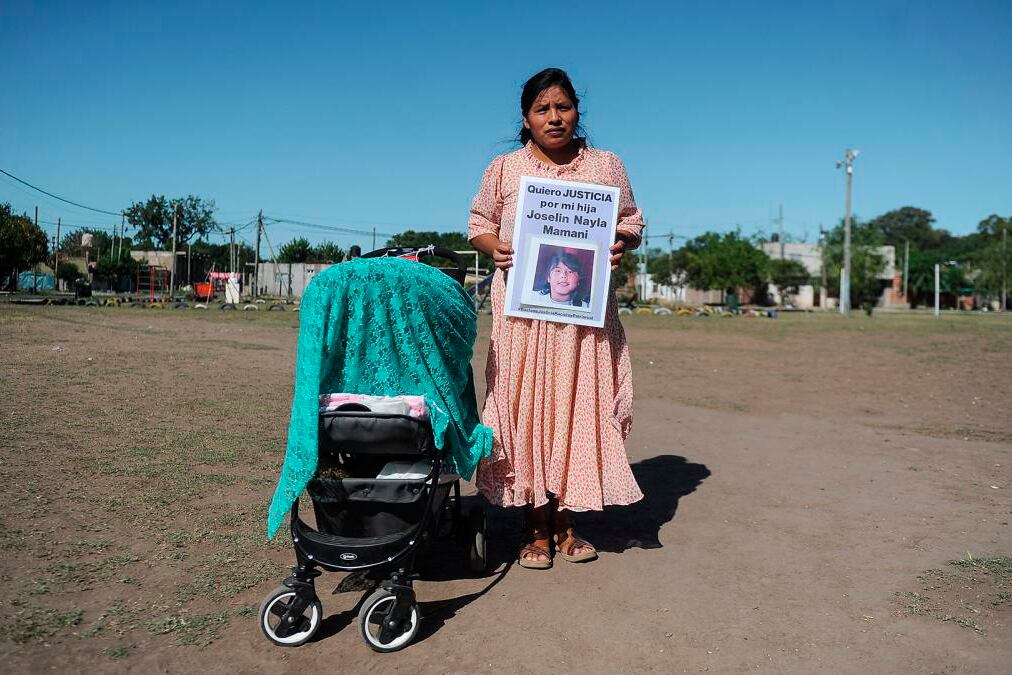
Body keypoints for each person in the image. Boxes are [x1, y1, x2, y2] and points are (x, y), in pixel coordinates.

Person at [468, 68, 645, 569]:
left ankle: (567, 524)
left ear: (577, 112)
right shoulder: (504, 169)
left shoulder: (605, 166)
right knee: (526, 411)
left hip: (583, 322)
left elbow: (630, 220)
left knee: (577, 412)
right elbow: (478, 222)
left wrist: (620, 243)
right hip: (523, 320)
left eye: (563, 106)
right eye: (543, 109)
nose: (554, 117)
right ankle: (534, 528)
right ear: (526, 118)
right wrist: (496, 247)